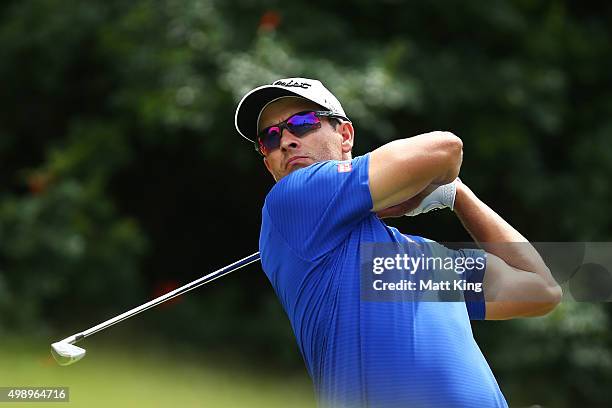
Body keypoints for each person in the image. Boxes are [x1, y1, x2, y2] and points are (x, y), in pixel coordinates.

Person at [234, 77, 562, 408]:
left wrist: (457, 195)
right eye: (270, 137)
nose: (286, 141)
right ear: (268, 162)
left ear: (345, 135)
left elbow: (540, 290)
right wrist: (427, 187)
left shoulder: (417, 257)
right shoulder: (289, 200)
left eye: (302, 123)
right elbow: (445, 150)